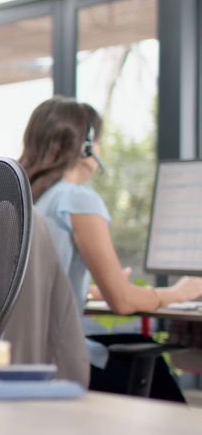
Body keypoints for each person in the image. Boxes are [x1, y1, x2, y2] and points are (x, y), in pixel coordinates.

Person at [19, 95, 202, 398]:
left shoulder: (22, 196)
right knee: (155, 371)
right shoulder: (77, 199)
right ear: (86, 145)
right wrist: (179, 292)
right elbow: (124, 303)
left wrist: (88, 290)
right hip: (59, 362)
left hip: (19, 357)